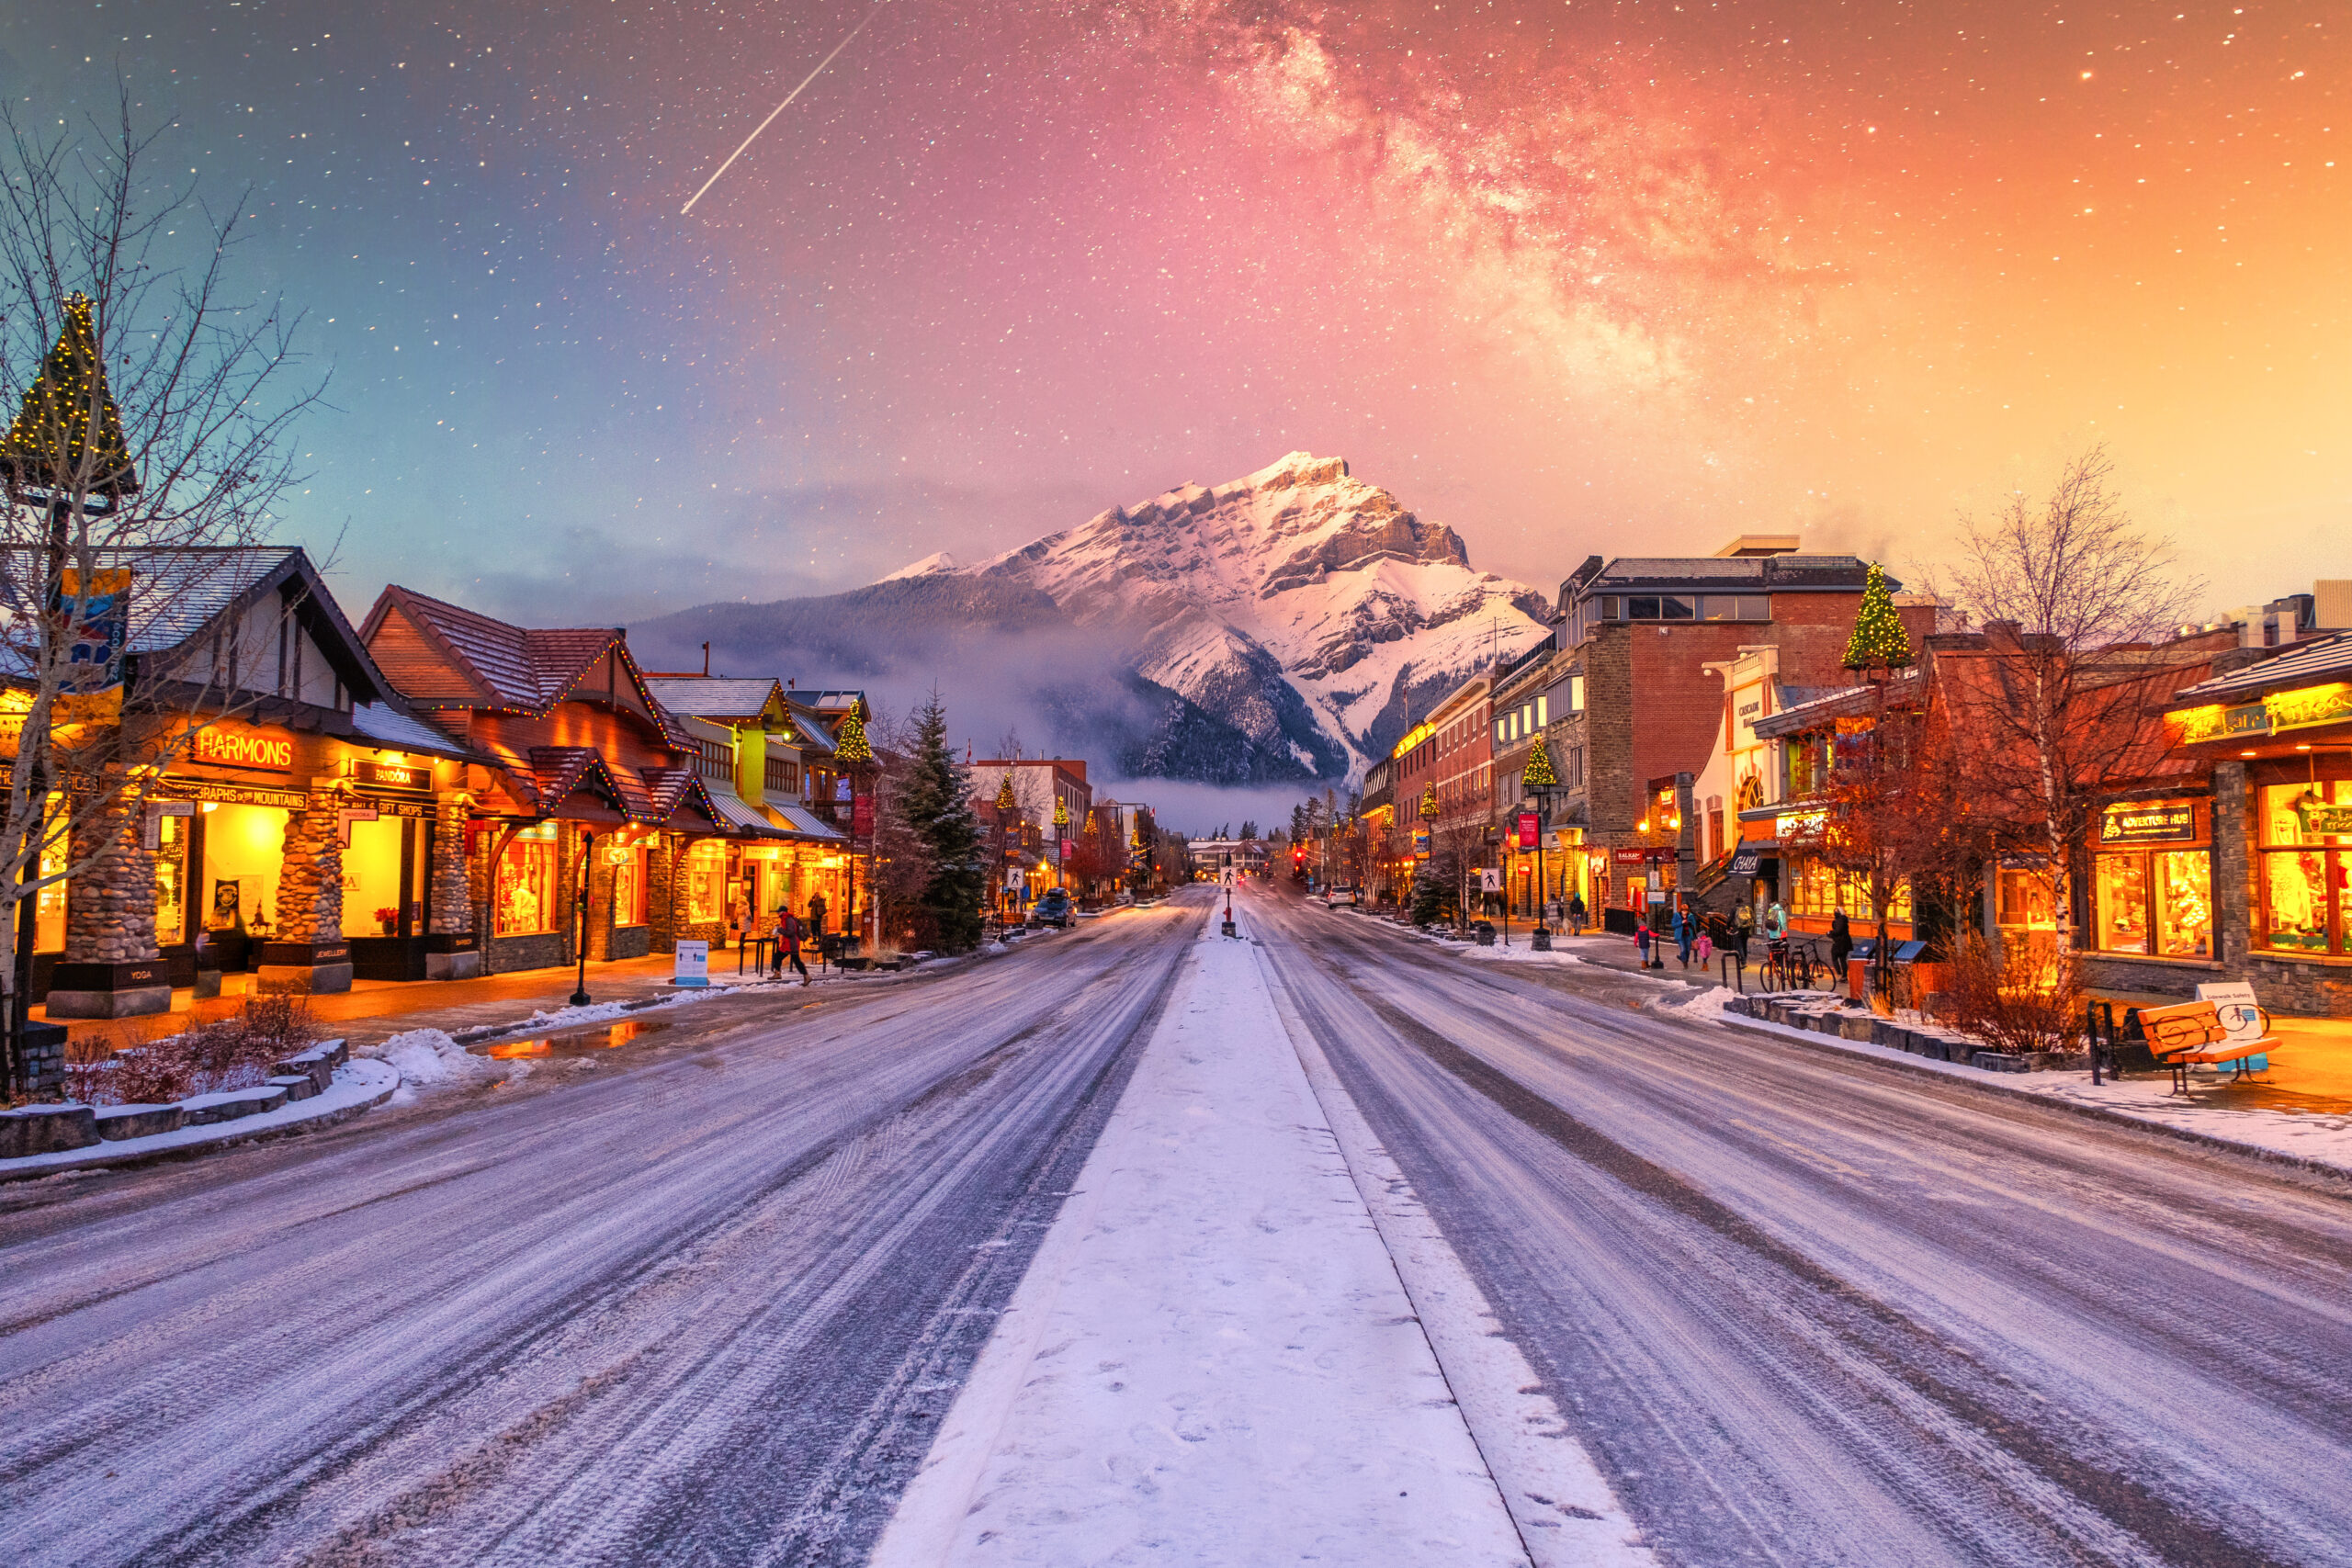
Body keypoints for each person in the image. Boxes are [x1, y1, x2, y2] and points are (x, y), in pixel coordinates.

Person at [778, 905, 810, 985]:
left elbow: (790, 932)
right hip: (791, 943)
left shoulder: (788, 919)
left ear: (783, 912)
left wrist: (780, 930)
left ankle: (777, 973)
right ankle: (806, 976)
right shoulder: (786, 919)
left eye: (779, 911)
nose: (778, 913)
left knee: (778, 957)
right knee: (796, 961)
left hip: (791, 944)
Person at [1828, 908, 1853, 989]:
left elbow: (1838, 931)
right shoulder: (1843, 920)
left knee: (1834, 956)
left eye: (1836, 912)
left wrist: (1830, 933)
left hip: (1840, 942)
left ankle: (1839, 974)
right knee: (1842, 959)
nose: (1834, 913)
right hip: (1844, 943)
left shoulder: (1840, 920)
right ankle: (1844, 976)